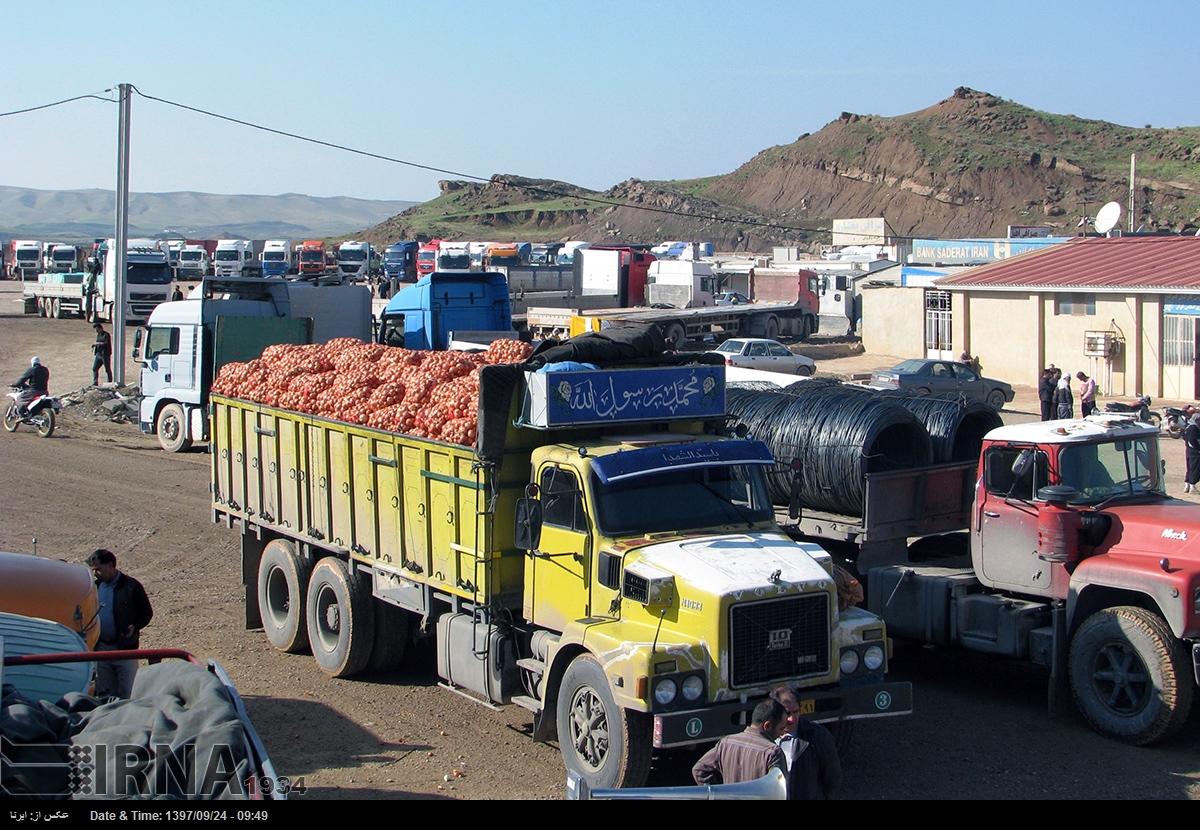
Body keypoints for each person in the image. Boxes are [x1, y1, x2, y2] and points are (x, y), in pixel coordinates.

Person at [87, 548, 153, 699]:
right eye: (93, 570)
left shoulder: (131, 586)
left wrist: (135, 626)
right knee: (104, 695)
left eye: (98, 569)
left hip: (125, 650)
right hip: (102, 650)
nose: (96, 573)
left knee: (129, 694)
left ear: (110, 565)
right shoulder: (95, 588)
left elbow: (146, 612)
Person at [692, 698, 788, 787]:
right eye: (781, 728)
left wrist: (719, 793)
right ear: (767, 725)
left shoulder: (726, 743)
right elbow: (781, 790)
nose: (782, 733)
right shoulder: (773, 753)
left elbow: (699, 770)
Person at [770, 686, 842, 800]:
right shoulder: (764, 736)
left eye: (796, 712)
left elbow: (832, 777)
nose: (792, 719)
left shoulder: (818, 737)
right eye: (787, 713)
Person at [1184, 413, 1200, 493]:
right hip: (1195, 452)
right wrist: (1198, 449)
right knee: (1195, 468)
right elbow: (1192, 440)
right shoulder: (1194, 428)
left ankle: (1187, 486)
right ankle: (1192, 487)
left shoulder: (1189, 427)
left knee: (1190, 468)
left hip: (1189, 450)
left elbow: (1185, 437)